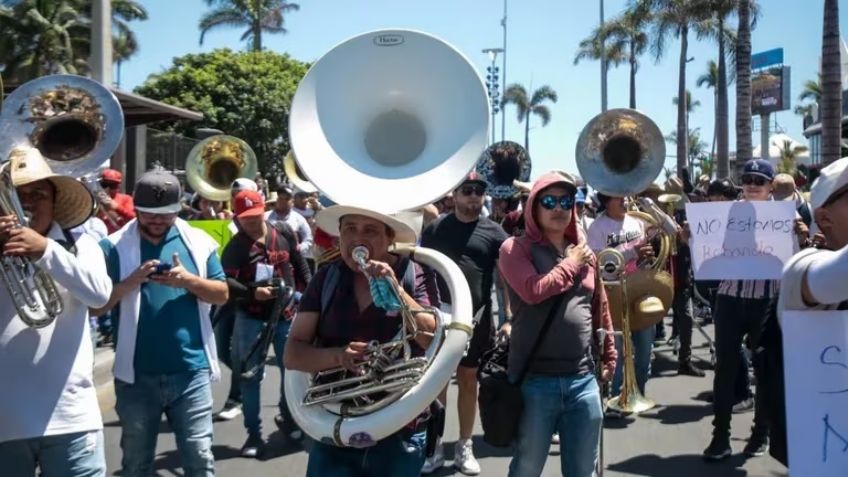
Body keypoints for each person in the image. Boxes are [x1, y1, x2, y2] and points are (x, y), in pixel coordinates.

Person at [284, 205, 438, 476]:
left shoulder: (415, 273)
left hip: (401, 427)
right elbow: (293, 354)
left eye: (370, 230)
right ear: (339, 236)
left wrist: (398, 291)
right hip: (336, 424)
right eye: (349, 229)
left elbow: (431, 341)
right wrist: (338, 356)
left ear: (390, 238)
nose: (357, 238)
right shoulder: (326, 278)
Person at [93, 170, 228, 476]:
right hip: (136, 377)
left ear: (178, 210)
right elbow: (96, 308)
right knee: (136, 463)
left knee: (199, 459)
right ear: (136, 210)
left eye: (165, 215)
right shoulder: (112, 247)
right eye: (149, 214)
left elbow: (222, 294)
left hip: (192, 372)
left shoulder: (199, 241)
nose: (157, 221)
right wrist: (130, 282)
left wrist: (190, 281)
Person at [0, 147, 112, 477]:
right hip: (6, 420)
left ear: (54, 200)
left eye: (38, 193)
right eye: (18, 194)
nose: (28, 201)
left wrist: (46, 249)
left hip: (71, 418)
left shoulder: (81, 245)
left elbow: (99, 295)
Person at [498, 171, 617, 477]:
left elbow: (599, 307)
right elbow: (533, 291)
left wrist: (611, 354)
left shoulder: (585, 254)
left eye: (566, 201)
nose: (559, 208)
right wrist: (571, 263)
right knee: (526, 469)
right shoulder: (515, 249)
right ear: (534, 207)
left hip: (583, 380)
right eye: (549, 201)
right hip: (534, 382)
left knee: (583, 471)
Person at [702, 159, 806, 461]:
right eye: (746, 178)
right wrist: (692, 237)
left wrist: (800, 236)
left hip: (766, 300)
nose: (751, 184)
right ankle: (720, 436)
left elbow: (794, 262)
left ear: (771, 186)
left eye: (759, 180)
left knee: (763, 370)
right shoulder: (725, 213)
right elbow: (710, 247)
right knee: (724, 369)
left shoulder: (786, 216)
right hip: (730, 297)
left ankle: (760, 434)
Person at [420, 172, 509, 475]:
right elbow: (424, 272)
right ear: (455, 195)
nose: (473, 196)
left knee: (469, 380)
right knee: (437, 383)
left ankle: (464, 446)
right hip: (440, 317)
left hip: (477, 320)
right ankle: (434, 446)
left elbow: (505, 278)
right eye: (467, 190)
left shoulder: (495, 232)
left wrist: (508, 317)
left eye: (479, 191)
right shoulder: (435, 229)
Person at [222, 190, 311, 457]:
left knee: (292, 374)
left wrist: (308, 299)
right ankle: (253, 434)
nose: (251, 221)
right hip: (251, 318)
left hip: (286, 314)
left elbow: (300, 265)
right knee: (251, 377)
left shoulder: (283, 231)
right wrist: (252, 292)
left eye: (255, 214)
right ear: (237, 218)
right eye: (245, 217)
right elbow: (226, 283)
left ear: (264, 209)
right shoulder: (235, 247)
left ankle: (289, 419)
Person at [587, 192, 656, 402]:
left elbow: (649, 248)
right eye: (619, 198)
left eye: (625, 197)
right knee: (616, 351)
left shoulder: (637, 222)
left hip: (639, 292)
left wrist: (647, 255)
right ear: (606, 202)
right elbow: (601, 266)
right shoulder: (597, 228)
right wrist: (632, 254)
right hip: (613, 294)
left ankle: (638, 393)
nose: (625, 201)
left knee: (645, 349)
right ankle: (616, 397)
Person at [217, 177, 262, 421]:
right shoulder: (220, 221)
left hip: (248, 303)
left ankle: (237, 397)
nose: (238, 198)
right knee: (222, 349)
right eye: (235, 195)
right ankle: (247, 382)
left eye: (243, 194)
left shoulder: (260, 224)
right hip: (224, 297)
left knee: (239, 354)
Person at [266, 184, 315, 272]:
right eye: (281, 198)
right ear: (277, 199)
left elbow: (308, 238)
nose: (283, 201)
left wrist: (299, 249)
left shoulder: (299, 219)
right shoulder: (265, 217)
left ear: (292, 201)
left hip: (293, 263)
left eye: (287, 199)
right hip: (269, 261)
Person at [97, 168, 135, 234]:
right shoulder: (94, 200)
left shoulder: (126, 199)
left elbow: (134, 218)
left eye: (113, 185)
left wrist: (117, 207)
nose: (108, 188)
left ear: (118, 186)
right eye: (105, 185)